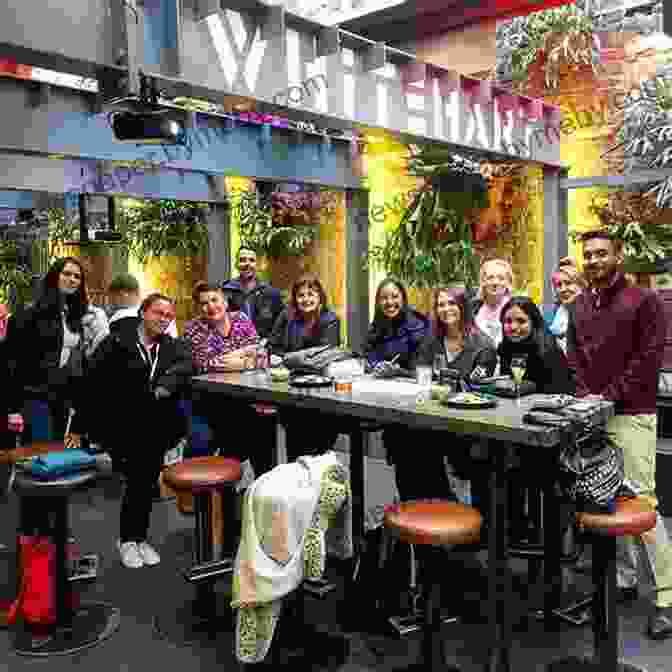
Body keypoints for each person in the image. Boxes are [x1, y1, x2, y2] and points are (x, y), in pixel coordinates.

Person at [567, 230, 672, 640]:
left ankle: (666, 595)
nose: (593, 260)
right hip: (592, 416)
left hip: (632, 414)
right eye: (587, 255)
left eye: (600, 254)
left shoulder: (644, 300)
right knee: (607, 499)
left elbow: (649, 358)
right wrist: (584, 396)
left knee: (643, 502)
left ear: (618, 255)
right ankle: (626, 580)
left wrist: (605, 397)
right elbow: (573, 356)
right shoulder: (579, 305)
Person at [84, 293, 193, 568]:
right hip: (122, 426)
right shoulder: (117, 342)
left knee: (144, 484)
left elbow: (187, 364)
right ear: (143, 312)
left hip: (155, 427)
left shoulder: (170, 346)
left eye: (168, 316)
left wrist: (166, 384)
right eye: (158, 313)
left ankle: (139, 539)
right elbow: (93, 379)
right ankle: (127, 541)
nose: (164, 319)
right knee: (136, 482)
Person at [389, 286, 497, 502]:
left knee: (416, 444)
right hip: (432, 418)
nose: (446, 309)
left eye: (451, 303)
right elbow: (422, 377)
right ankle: (417, 507)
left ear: (463, 307)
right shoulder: (431, 342)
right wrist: (398, 372)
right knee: (399, 436)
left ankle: (442, 505)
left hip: (466, 425)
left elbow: (476, 390)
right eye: (440, 304)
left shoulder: (483, 346)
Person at [5, 257, 109, 445]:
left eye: (77, 276)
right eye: (67, 274)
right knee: (38, 453)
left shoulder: (76, 316)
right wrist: (11, 408)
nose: (72, 279)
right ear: (54, 276)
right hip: (33, 396)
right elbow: (11, 363)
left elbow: (79, 365)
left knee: (55, 453)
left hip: (61, 398)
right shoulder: (28, 314)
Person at [183, 283, 274, 479]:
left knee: (265, 427)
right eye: (204, 303)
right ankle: (217, 492)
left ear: (224, 302)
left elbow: (260, 356)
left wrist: (233, 358)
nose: (211, 306)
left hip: (243, 397)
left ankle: (263, 486)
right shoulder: (194, 328)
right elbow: (204, 364)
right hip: (208, 401)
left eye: (215, 300)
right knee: (219, 439)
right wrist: (243, 354)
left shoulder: (240, 319)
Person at [269, 273, 341, 461]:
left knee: (318, 455)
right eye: (301, 295)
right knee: (294, 452)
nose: (306, 299)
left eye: (311, 294)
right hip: (290, 391)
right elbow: (272, 346)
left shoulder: (330, 319)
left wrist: (285, 358)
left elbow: (321, 357)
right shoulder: (286, 316)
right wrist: (291, 358)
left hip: (321, 394)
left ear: (320, 297)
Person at [498, 296, 574, 395]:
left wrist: (530, 387)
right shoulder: (505, 347)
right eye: (508, 321)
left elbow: (561, 389)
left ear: (533, 322)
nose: (513, 327)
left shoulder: (548, 351)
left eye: (521, 321)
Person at [365, 277, 429, 378]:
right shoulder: (375, 326)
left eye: (395, 297)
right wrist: (375, 366)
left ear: (403, 298)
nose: (389, 302)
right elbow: (369, 359)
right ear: (378, 302)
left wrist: (398, 371)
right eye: (384, 298)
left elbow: (423, 370)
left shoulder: (417, 325)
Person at [221, 246, 284, 339]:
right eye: (242, 260)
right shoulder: (225, 292)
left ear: (257, 265)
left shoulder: (271, 293)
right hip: (234, 346)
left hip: (264, 345)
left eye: (252, 260)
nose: (247, 264)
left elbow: (280, 325)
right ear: (236, 264)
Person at [107, 273, 178, 337]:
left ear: (123, 294)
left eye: (111, 296)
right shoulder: (164, 312)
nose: (110, 301)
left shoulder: (120, 317)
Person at [543, 261, 586, 354]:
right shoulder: (550, 314)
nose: (563, 289)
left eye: (568, 283)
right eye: (558, 285)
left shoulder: (592, 312)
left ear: (581, 285)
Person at [473, 258, 514, 347]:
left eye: (501, 278)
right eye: (490, 278)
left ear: (508, 282)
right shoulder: (473, 309)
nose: (495, 282)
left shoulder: (518, 308)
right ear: (483, 281)